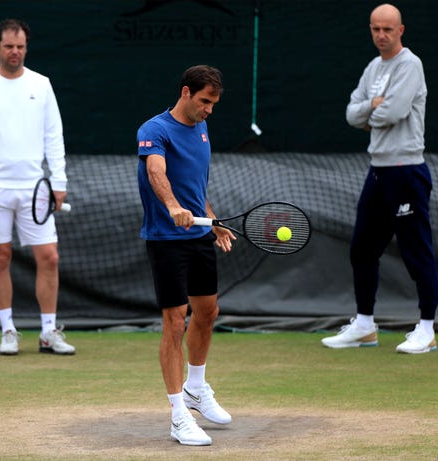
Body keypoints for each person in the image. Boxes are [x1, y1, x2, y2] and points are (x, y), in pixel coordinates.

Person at [322, 4, 438, 354]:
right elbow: (350, 113)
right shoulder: (374, 67)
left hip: (407, 170)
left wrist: (372, 108)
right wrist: (372, 107)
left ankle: (427, 329)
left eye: (388, 29)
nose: (381, 35)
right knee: (362, 249)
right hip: (377, 170)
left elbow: (393, 112)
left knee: (416, 250)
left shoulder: (410, 65)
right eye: (375, 29)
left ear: (401, 30)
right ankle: (364, 325)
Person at [0, 19, 75, 356]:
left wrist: (59, 181)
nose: (15, 52)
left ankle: (48, 332)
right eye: (9, 46)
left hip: (34, 188)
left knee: (49, 257)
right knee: (0, 257)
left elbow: (53, 135)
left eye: (21, 46)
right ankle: (8, 330)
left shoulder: (41, 85)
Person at [137, 65, 236, 445]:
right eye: (205, 101)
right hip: (166, 239)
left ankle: (196, 388)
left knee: (208, 312)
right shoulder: (154, 130)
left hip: (198, 235)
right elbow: (156, 173)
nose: (209, 109)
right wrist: (173, 207)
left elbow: (196, 186)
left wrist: (212, 220)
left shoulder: (202, 128)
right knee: (175, 322)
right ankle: (178, 414)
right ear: (185, 93)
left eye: (213, 103)